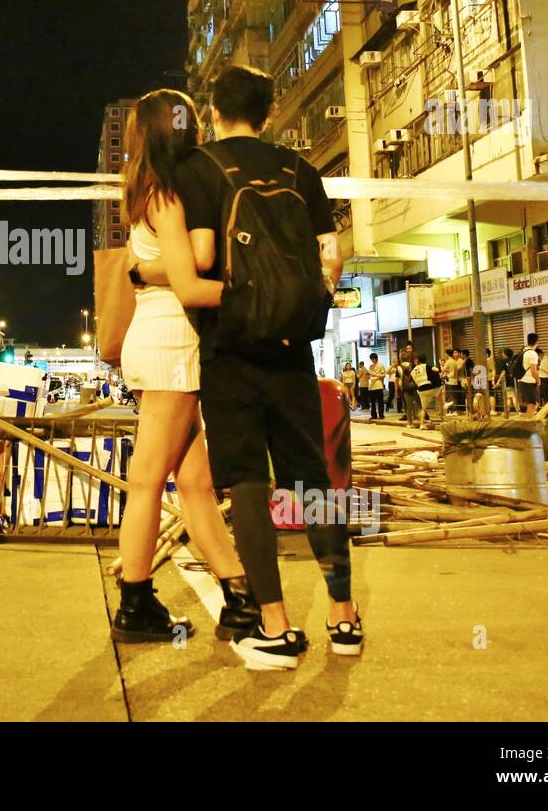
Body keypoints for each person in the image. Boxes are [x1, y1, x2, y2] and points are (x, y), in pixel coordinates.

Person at [159, 65, 359, 669]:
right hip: (293, 349)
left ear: (213, 111)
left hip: (230, 348)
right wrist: (302, 300)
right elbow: (331, 255)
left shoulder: (197, 170)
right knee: (313, 479)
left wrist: (241, 293)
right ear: (270, 113)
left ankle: (275, 625)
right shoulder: (300, 170)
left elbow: (198, 263)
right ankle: (343, 615)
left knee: (246, 480)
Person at [114, 88, 255, 643]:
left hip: (164, 338)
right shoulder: (167, 196)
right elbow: (192, 278)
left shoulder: (147, 190)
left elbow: (157, 268)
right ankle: (136, 603)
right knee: (147, 479)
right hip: (171, 341)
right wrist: (253, 291)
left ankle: (238, 595)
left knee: (194, 481)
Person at [413, 354, 440, 426]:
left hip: (421, 390)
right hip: (429, 388)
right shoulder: (426, 366)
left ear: (418, 360)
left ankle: (421, 424)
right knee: (441, 391)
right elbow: (436, 370)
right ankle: (443, 409)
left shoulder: (413, 370)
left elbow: (414, 379)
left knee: (423, 408)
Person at [519, 333, 541, 416]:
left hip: (523, 381)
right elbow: (533, 371)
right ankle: (526, 426)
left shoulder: (524, 352)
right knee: (532, 406)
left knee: (531, 405)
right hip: (529, 382)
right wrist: (538, 381)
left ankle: (527, 424)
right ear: (536, 342)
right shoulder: (533, 353)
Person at [400, 349, 423, 426]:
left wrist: (400, 388)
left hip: (405, 388)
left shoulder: (399, 367)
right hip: (413, 387)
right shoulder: (412, 366)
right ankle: (421, 419)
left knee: (408, 406)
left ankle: (409, 423)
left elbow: (400, 379)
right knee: (419, 403)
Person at [365, 352, 387, 420]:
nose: (372, 360)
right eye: (371, 359)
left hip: (379, 385)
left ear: (376, 358)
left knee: (380, 401)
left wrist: (375, 375)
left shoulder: (381, 365)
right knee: (372, 402)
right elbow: (369, 375)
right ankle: (373, 415)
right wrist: (368, 375)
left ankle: (381, 415)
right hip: (371, 386)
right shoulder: (371, 366)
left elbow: (383, 375)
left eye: (373, 359)